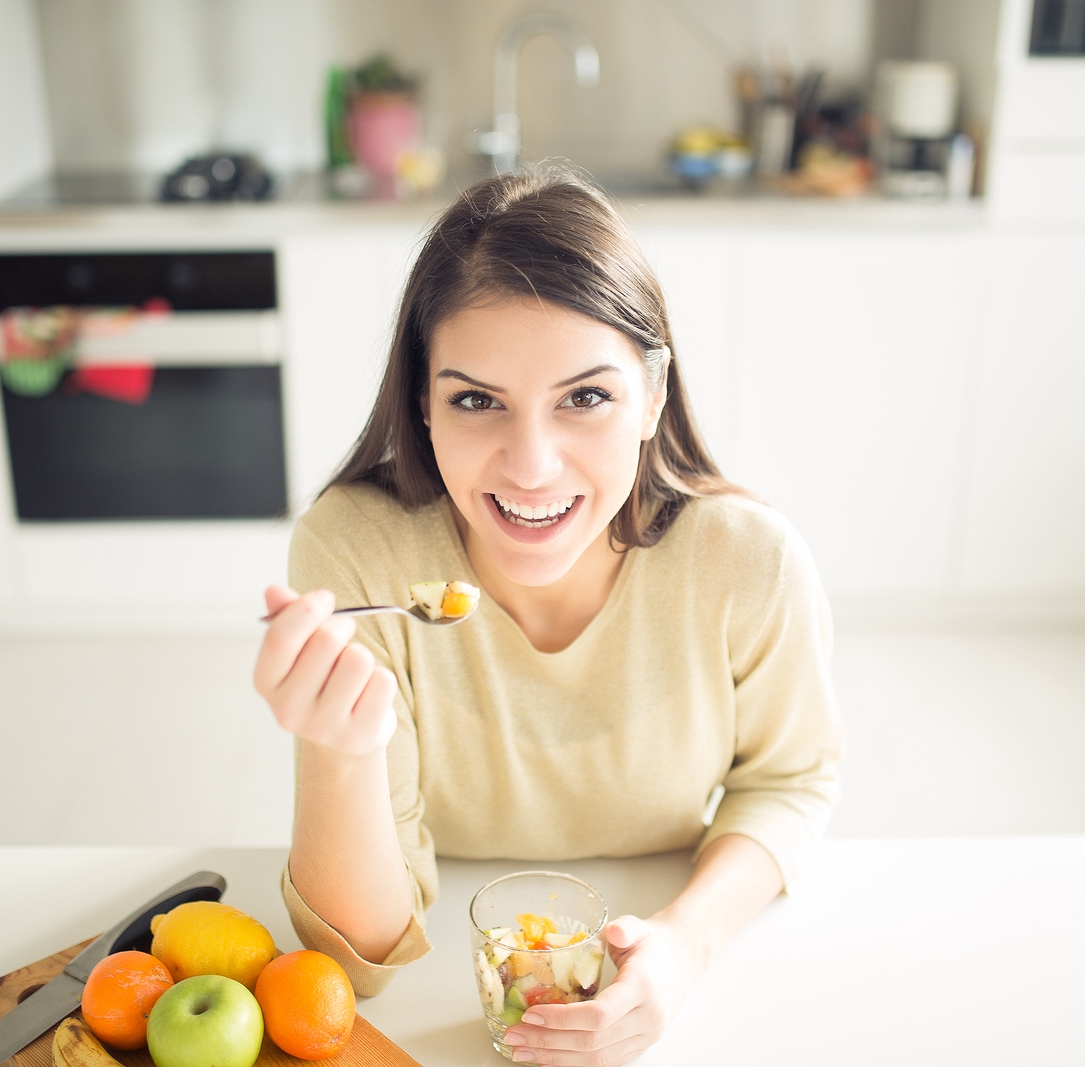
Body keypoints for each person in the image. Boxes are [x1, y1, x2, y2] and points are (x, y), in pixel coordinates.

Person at [253, 166, 841, 1066]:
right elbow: (355, 965)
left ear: (651, 396)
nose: (530, 466)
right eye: (476, 400)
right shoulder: (357, 553)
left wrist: (685, 944)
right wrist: (340, 749)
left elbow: (790, 781)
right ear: (422, 403)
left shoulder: (747, 563)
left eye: (585, 397)